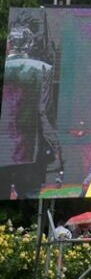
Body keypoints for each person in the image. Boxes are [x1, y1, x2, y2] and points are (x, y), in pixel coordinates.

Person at [1, 26, 57, 197]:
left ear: (9, 43)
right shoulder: (44, 69)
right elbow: (45, 112)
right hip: (31, 150)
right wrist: (53, 145)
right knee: (30, 195)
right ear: (30, 44)